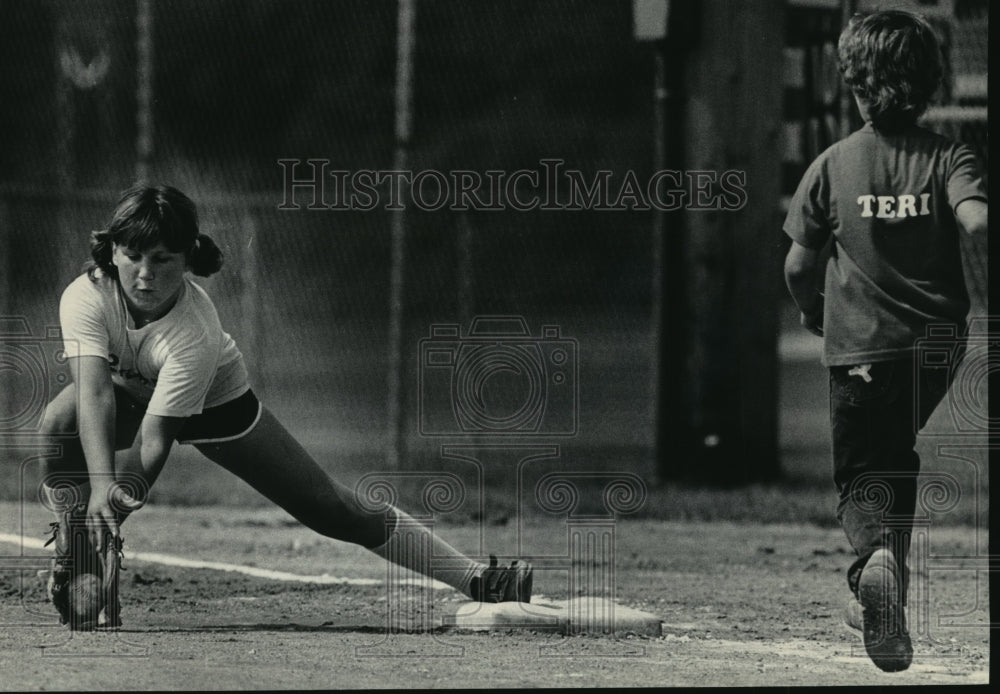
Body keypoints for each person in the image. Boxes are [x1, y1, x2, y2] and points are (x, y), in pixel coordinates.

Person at [40, 184, 532, 630]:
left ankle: (476, 579)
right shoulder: (87, 296)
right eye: (134, 256)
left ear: (188, 259)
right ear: (111, 252)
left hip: (216, 403)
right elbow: (95, 395)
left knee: (332, 508)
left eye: (163, 259)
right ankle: (76, 544)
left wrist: (112, 514)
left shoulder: (195, 330)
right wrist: (97, 495)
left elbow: (154, 443)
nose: (145, 275)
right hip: (129, 392)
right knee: (58, 424)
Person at [783, 9, 987, 673]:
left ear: (854, 84)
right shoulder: (949, 156)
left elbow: (797, 265)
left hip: (859, 351)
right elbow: (976, 220)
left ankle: (874, 560)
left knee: (861, 474)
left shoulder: (834, 164)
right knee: (895, 455)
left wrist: (813, 311)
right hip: (935, 352)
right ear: (932, 85)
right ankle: (888, 601)